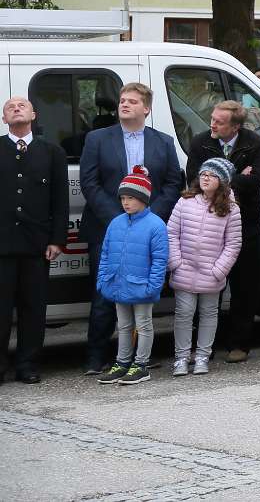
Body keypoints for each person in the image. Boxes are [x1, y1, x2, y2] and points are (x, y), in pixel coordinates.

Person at [78, 82, 184, 375]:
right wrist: (118, 219)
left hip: (148, 232)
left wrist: (150, 218)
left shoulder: (162, 141)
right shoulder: (97, 139)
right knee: (105, 293)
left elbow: (174, 182)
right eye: (123, 100)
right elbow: (90, 182)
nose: (125, 105)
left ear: (146, 109)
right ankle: (96, 357)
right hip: (106, 228)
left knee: (142, 294)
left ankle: (139, 357)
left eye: (133, 101)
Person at [185, 100, 260, 363]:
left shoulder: (254, 142)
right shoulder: (200, 142)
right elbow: (196, 181)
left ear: (236, 126)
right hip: (208, 223)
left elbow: (255, 181)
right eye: (212, 118)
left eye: (219, 121)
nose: (212, 124)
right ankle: (205, 345)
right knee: (208, 284)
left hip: (245, 224)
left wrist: (217, 179)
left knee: (244, 287)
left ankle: (239, 343)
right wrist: (233, 177)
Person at [0, 97, 67, 383]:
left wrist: (56, 240)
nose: (16, 108)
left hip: (36, 244)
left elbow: (59, 201)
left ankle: (27, 364)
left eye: (22, 106)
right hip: (2, 244)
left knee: (34, 309)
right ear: (4, 118)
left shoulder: (52, 152)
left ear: (34, 115)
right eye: (10, 107)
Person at [168, 157, 243, 376]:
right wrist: (176, 263)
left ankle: (202, 355)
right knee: (183, 312)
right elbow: (171, 233)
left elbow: (233, 243)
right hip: (184, 269)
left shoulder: (231, 209)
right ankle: (181, 357)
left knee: (209, 313)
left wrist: (218, 270)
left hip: (211, 273)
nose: (205, 178)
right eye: (203, 174)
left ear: (222, 181)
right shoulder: (185, 202)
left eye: (211, 175)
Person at [95, 168, 169, 386]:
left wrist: (153, 286)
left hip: (142, 286)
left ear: (143, 199)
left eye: (131, 198)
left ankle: (141, 364)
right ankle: (122, 362)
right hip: (118, 284)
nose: (126, 203)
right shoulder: (116, 223)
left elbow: (159, 260)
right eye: (123, 198)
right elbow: (106, 253)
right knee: (124, 325)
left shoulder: (155, 225)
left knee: (144, 325)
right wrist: (103, 279)